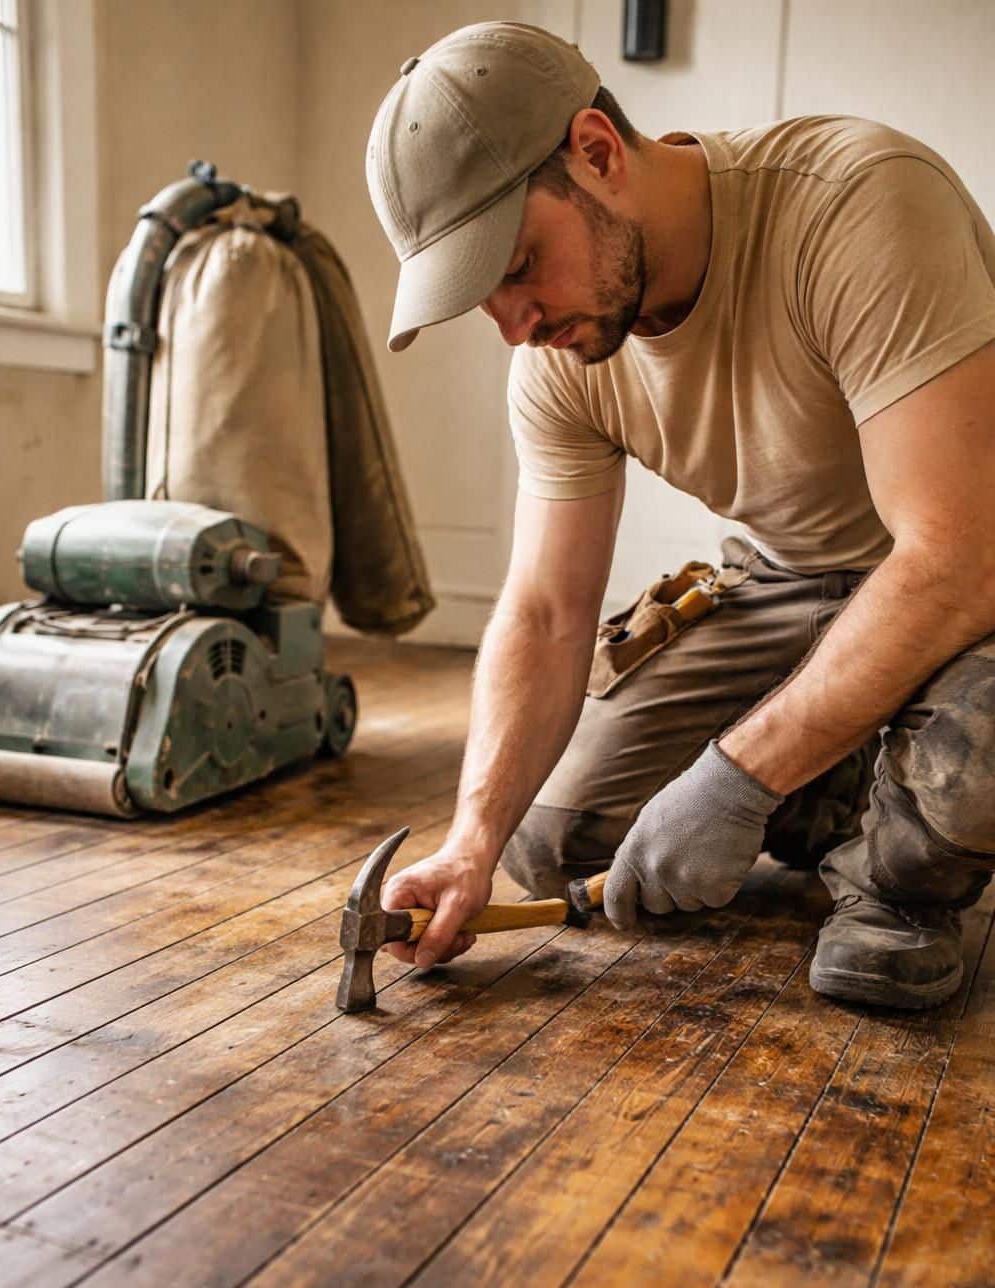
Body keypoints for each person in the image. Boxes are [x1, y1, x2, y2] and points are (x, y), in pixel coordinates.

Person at [364, 20, 995, 1009]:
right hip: (784, 583)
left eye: (519, 263)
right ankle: (851, 782)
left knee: (979, 748)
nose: (515, 327)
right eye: (482, 299)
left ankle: (899, 886)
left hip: (967, 580)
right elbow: (543, 610)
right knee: (552, 835)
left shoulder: (861, 204)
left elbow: (959, 560)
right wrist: (468, 845)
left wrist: (739, 776)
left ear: (598, 153)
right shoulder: (553, 357)